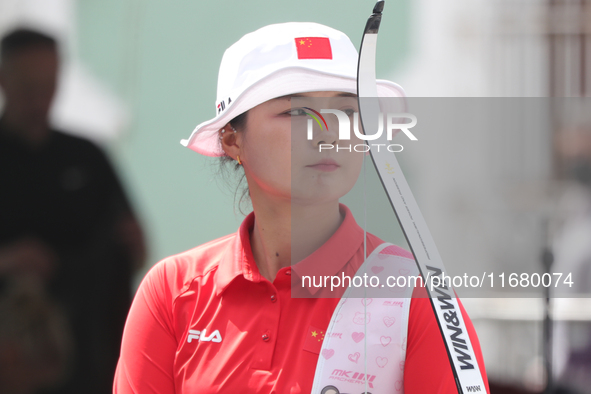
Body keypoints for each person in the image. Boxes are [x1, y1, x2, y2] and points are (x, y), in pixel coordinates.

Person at [114, 22, 489, 393]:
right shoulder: (172, 291)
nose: (327, 131)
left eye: (348, 111)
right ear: (232, 139)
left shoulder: (417, 296)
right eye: (296, 112)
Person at [0, 28, 146, 393]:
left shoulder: (87, 157)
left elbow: (135, 244)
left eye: (47, 85)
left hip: (88, 360)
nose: (38, 99)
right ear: (4, 80)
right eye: (27, 86)